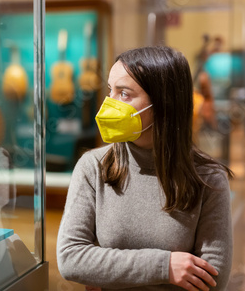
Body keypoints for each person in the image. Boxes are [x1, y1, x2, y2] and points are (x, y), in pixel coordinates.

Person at [57, 46, 233, 291]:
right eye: (110, 91)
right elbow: (71, 258)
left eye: (124, 94)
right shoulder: (93, 166)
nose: (110, 104)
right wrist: (165, 266)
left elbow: (212, 279)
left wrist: (108, 267)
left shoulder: (208, 178)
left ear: (163, 102)